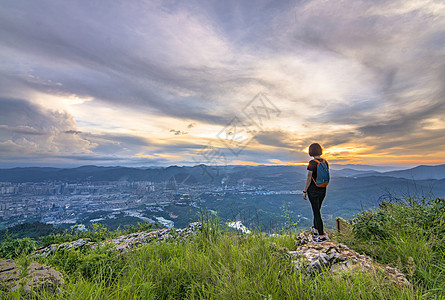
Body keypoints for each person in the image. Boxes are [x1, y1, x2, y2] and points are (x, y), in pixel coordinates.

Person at [302, 143, 329, 242]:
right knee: (317, 210)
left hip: (313, 191)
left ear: (311, 151)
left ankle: (321, 235)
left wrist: (305, 191)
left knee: (316, 212)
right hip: (323, 189)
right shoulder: (325, 162)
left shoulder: (312, 163)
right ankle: (315, 229)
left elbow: (309, 179)